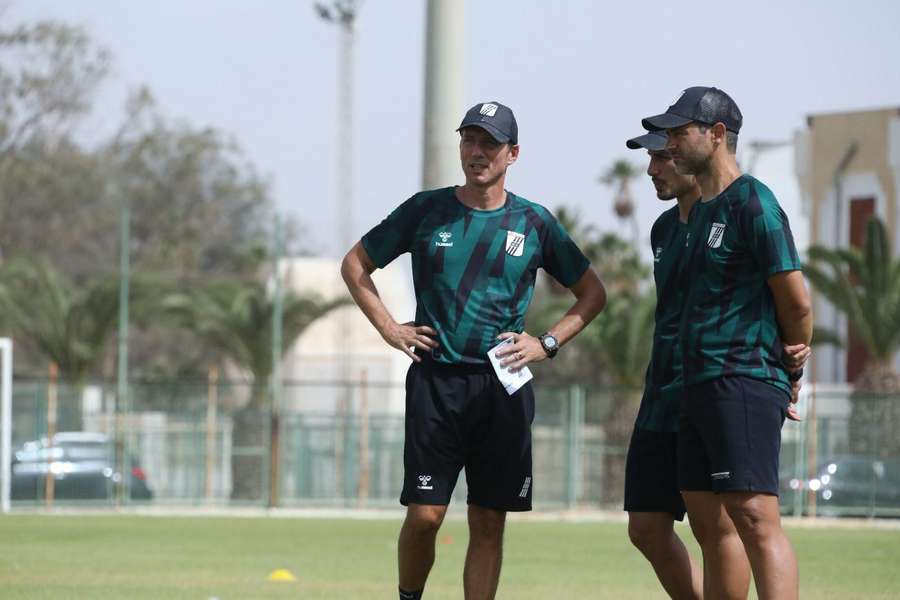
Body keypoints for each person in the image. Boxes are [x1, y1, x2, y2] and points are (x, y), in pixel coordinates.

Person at [341, 101, 607, 600]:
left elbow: (593, 293)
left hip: (501, 388)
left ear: (513, 154)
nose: (477, 151)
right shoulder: (426, 210)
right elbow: (356, 264)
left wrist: (546, 343)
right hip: (435, 383)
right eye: (469, 140)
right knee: (425, 515)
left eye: (489, 143)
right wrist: (388, 328)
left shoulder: (534, 222)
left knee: (488, 519)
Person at [641, 86, 813, 600]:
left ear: (716, 135)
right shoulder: (692, 219)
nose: (669, 142)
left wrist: (793, 363)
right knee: (708, 524)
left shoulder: (752, 201)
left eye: (679, 131)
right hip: (693, 389)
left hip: (742, 379)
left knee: (756, 517)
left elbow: (796, 302)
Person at [622, 129, 751, 599]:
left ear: (689, 157)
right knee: (645, 526)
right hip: (661, 394)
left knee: (715, 528)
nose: (652, 169)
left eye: (662, 158)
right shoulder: (661, 229)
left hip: (714, 389)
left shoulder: (732, 216)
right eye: (651, 159)